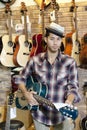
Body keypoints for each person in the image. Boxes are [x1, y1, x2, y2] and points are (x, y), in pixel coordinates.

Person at [17, 22, 81, 130]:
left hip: (61, 115)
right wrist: (25, 93)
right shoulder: (35, 60)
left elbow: (73, 87)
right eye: (52, 39)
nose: (55, 43)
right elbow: (21, 78)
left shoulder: (69, 62)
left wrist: (69, 100)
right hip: (39, 114)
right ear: (46, 39)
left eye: (58, 39)